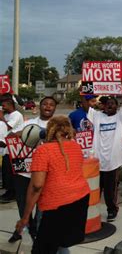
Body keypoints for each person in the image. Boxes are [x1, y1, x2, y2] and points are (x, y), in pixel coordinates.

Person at [15, 115, 90, 254]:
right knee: (61, 242)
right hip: (80, 199)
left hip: (56, 205)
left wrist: (25, 217)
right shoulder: (76, 146)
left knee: (43, 248)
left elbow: (36, 186)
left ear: (48, 131)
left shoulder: (43, 151)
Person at [8, 96, 57, 243]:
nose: (48, 106)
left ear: (54, 108)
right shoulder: (29, 123)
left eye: (51, 105)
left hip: (44, 174)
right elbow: (10, 136)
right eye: (45, 104)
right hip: (24, 172)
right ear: (39, 106)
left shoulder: (57, 127)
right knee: (23, 205)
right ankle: (24, 228)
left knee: (42, 206)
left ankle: (35, 230)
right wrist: (19, 134)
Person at [86, 94, 122, 222]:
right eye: (108, 103)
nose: (110, 105)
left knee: (110, 191)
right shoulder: (97, 116)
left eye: (113, 103)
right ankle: (93, 211)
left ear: (117, 106)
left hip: (112, 161)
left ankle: (112, 210)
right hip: (98, 161)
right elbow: (85, 104)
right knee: (95, 190)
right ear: (104, 106)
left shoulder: (120, 117)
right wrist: (85, 89)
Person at [0, 95, 25, 203]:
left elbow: (8, 127)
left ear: (10, 104)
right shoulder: (8, 115)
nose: (2, 107)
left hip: (15, 149)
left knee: (12, 172)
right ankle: (9, 191)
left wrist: (1, 116)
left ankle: (13, 193)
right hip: (7, 148)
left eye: (3, 105)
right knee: (6, 171)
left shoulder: (16, 115)